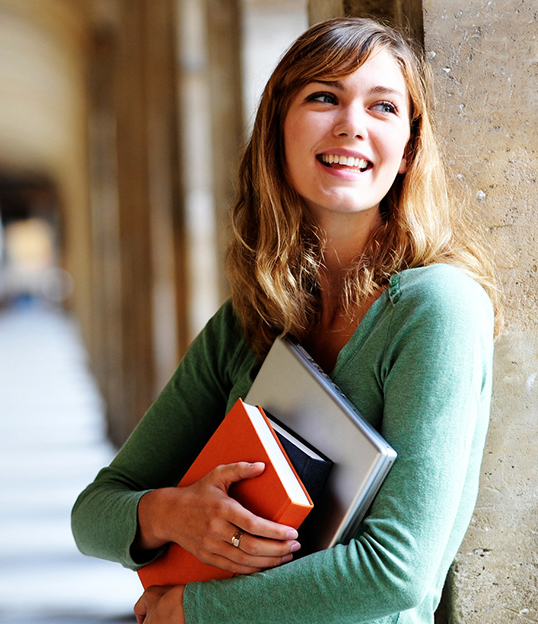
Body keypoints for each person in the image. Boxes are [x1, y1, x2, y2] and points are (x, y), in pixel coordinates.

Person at [72, 17, 500, 624]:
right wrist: (172, 514)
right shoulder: (248, 320)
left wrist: (194, 610)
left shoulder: (436, 307)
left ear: (408, 150)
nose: (351, 123)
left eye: (382, 106)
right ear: (277, 129)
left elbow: (398, 570)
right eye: (324, 97)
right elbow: (94, 511)